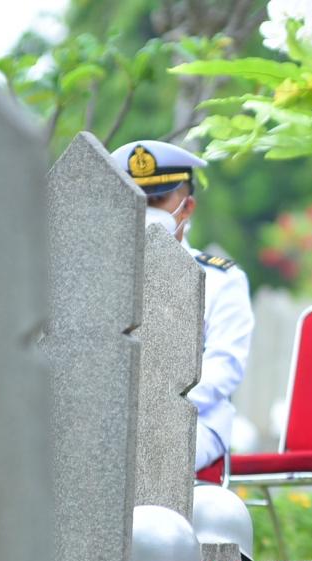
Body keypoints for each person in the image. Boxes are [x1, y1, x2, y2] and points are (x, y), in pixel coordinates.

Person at [111, 140, 254, 472]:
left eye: (158, 200)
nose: (146, 210)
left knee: (149, 455)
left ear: (187, 207)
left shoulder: (222, 279)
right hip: (114, 420)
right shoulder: (105, 276)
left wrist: (159, 406)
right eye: (137, 201)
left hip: (195, 420)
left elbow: (225, 365)